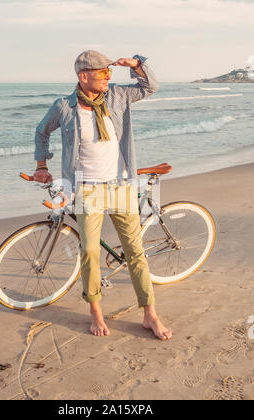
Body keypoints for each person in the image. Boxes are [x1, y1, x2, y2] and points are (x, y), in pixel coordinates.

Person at [33, 50, 172, 340]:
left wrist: (137, 64)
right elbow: (41, 131)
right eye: (103, 74)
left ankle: (150, 313)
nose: (109, 78)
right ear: (84, 76)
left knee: (135, 252)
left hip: (120, 185)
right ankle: (95, 311)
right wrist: (41, 165)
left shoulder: (118, 97)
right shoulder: (64, 107)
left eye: (110, 73)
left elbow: (150, 87)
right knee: (90, 252)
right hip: (87, 189)